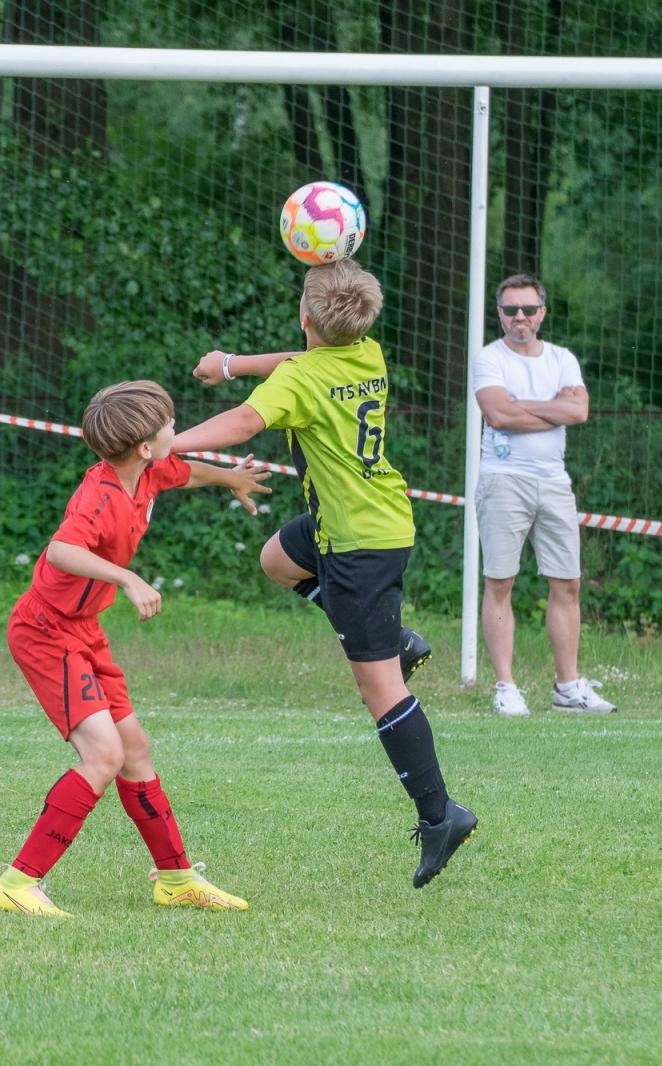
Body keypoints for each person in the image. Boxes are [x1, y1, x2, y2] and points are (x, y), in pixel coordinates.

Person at [173, 258, 478, 889]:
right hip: (370, 521)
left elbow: (244, 422)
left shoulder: (303, 382)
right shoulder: (366, 355)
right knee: (277, 560)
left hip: (358, 545)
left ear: (306, 316)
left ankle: (441, 815)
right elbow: (295, 361)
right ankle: (397, 642)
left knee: (380, 692)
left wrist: (163, 442)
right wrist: (231, 364)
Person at [0, 380, 273, 918]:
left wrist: (231, 478)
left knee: (134, 750)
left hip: (84, 631)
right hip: (46, 632)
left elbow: (185, 472)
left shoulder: (144, 471)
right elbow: (63, 550)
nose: (175, 429)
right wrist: (128, 579)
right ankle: (17, 882)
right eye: (168, 424)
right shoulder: (99, 495)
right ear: (143, 446)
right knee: (104, 755)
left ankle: (175, 879)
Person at [471, 273, 616, 718]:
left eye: (528, 310)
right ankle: (506, 686)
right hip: (502, 478)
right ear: (499, 314)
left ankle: (568, 687)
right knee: (500, 582)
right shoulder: (488, 358)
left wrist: (523, 407)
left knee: (567, 582)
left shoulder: (562, 359)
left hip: (554, 481)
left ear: (542, 314)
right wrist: (550, 411)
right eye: (511, 309)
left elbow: (579, 410)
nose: (520, 317)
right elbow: (496, 413)